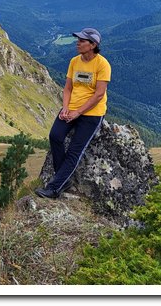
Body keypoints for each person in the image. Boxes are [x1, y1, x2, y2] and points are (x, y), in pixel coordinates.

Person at [35, 27, 111, 198]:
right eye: (78, 39)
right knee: (55, 136)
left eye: (82, 41)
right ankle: (64, 178)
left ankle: (54, 188)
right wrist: (66, 107)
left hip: (92, 114)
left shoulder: (102, 64)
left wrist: (78, 113)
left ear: (93, 45)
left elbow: (99, 94)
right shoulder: (74, 61)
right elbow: (68, 88)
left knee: (74, 151)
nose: (78, 43)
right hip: (71, 109)